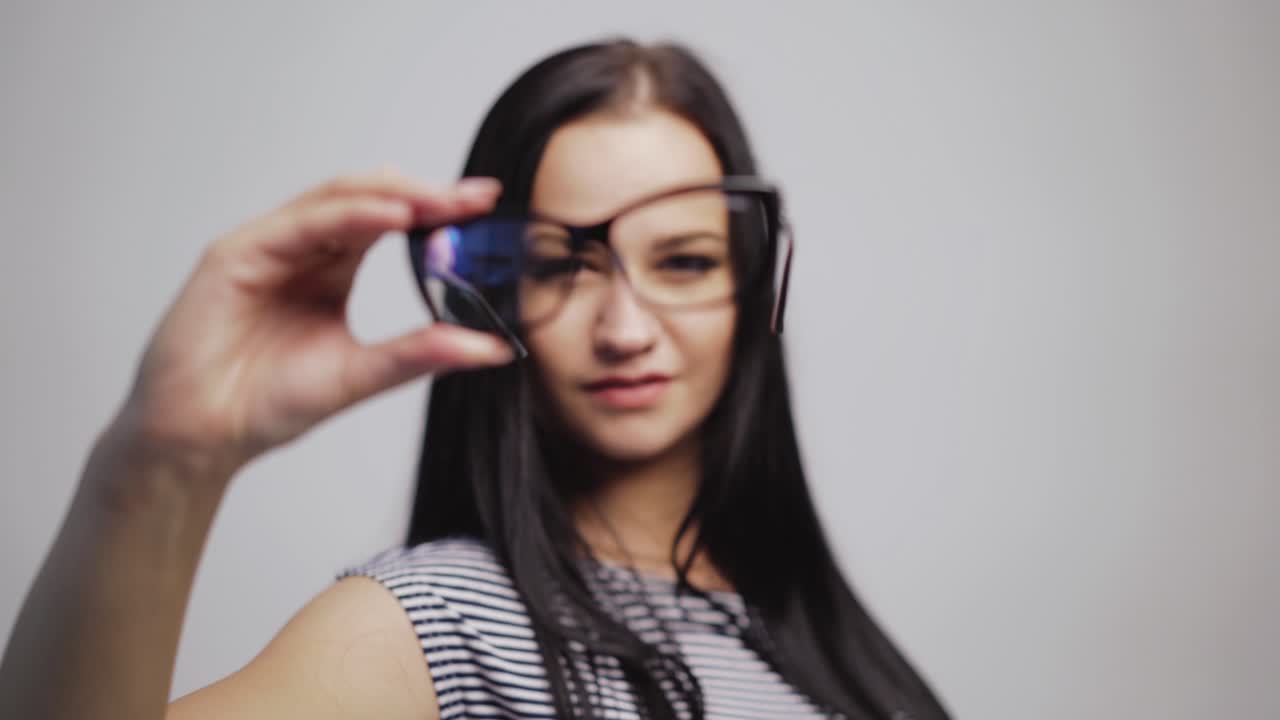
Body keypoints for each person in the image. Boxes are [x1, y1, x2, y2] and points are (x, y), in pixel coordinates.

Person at [0, 39, 951, 720]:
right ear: (487, 295)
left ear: (751, 285)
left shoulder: (833, 651)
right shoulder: (442, 627)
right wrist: (163, 465)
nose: (625, 330)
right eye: (558, 265)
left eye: (685, 262)